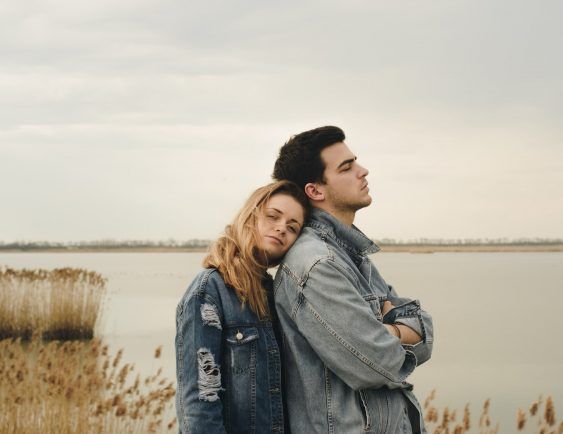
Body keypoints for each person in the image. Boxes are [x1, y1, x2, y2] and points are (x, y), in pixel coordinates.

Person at [272, 126, 434, 433]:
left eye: (355, 162)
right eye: (347, 167)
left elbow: (424, 331)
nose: (363, 171)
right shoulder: (317, 265)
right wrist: (398, 329)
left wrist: (385, 331)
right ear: (315, 190)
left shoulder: (353, 257)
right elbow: (379, 363)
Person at [175, 180, 309, 434]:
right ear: (251, 216)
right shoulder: (209, 290)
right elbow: (199, 403)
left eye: (292, 228)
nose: (281, 229)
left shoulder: (276, 292)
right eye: (273, 217)